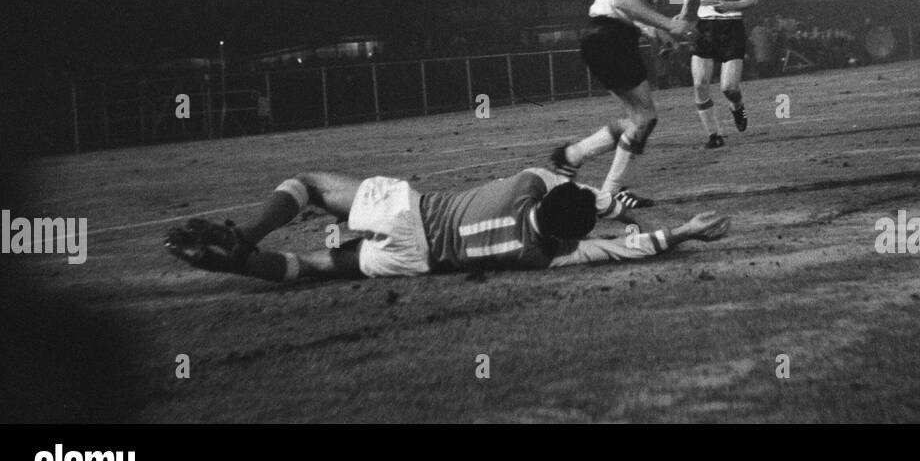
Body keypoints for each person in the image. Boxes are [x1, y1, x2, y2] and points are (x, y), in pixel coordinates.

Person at [164, 167, 730, 283]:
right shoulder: (548, 255)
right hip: (417, 263)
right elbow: (619, 251)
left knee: (309, 186)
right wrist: (681, 232)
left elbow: (569, 187)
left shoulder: (528, 184)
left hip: (414, 213)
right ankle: (239, 261)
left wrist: (609, 205)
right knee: (307, 267)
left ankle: (246, 237)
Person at [551, 0, 696, 210]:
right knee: (645, 118)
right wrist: (669, 24)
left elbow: (634, 8)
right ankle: (611, 194)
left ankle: (572, 156)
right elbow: (623, 2)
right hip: (609, 37)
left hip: (608, 36)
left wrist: (655, 31)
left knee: (635, 120)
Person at [676, 0, 759, 148]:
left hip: (731, 28)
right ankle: (715, 135)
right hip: (705, 29)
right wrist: (683, 15)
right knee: (699, 84)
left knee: (729, 88)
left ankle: (737, 107)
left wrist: (731, 4)